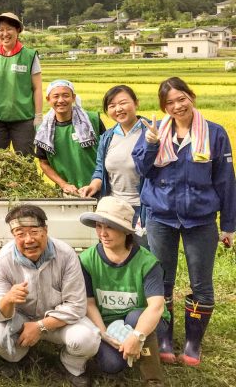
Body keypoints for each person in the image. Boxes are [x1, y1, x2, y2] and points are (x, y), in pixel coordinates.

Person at [132, 76, 235, 366]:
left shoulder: (214, 134)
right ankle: (164, 339)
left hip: (200, 219)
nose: (177, 106)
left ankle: (193, 342)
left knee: (201, 282)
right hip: (160, 217)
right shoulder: (154, 132)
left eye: (181, 98)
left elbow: (226, 180)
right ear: (164, 107)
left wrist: (228, 225)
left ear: (192, 97)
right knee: (161, 280)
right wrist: (151, 144)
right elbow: (142, 169)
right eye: (170, 102)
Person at [0, 204, 100, 387]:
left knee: (88, 339)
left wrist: (40, 326)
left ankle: (70, 364)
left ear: (46, 230)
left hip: (57, 320)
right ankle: (16, 358)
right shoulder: (4, 259)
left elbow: (76, 305)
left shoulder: (66, 254)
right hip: (20, 321)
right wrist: (8, 300)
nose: (28, 240)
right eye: (20, 234)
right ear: (13, 235)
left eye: (34, 231)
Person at [79, 197, 166, 386]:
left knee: (136, 320)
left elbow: (156, 307)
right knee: (111, 365)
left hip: (142, 319)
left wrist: (137, 336)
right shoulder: (86, 260)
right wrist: (104, 335)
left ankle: (153, 379)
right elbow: (89, 303)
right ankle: (130, 352)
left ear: (126, 230)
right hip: (107, 323)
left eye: (110, 227)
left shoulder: (147, 262)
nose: (103, 233)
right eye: (99, 226)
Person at [79, 85, 149, 243]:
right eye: (112, 106)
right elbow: (100, 170)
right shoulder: (108, 137)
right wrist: (93, 186)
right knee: (117, 257)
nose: (118, 109)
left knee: (144, 256)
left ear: (136, 103)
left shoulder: (151, 131)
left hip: (144, 209)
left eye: (123, 103)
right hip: (114, 209)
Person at [0, 12, 42, 156]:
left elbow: (37, 88)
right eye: (0, 30)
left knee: (25, 162)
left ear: (17, 31)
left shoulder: (29, 55)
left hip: (24, 120)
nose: (5, 33)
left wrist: (38, 116)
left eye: (9, 29)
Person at [35, 79, 105, 195]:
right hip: (68, 192)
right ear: (48, 99)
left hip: (98, 186)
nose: (61, 100)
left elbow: (108, 153)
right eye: (56, 96)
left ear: (73, 97)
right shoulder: (43, 130)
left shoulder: (93, 121)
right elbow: (44, 162)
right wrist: (64, 184)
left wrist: (95, 184)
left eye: (66, 96)